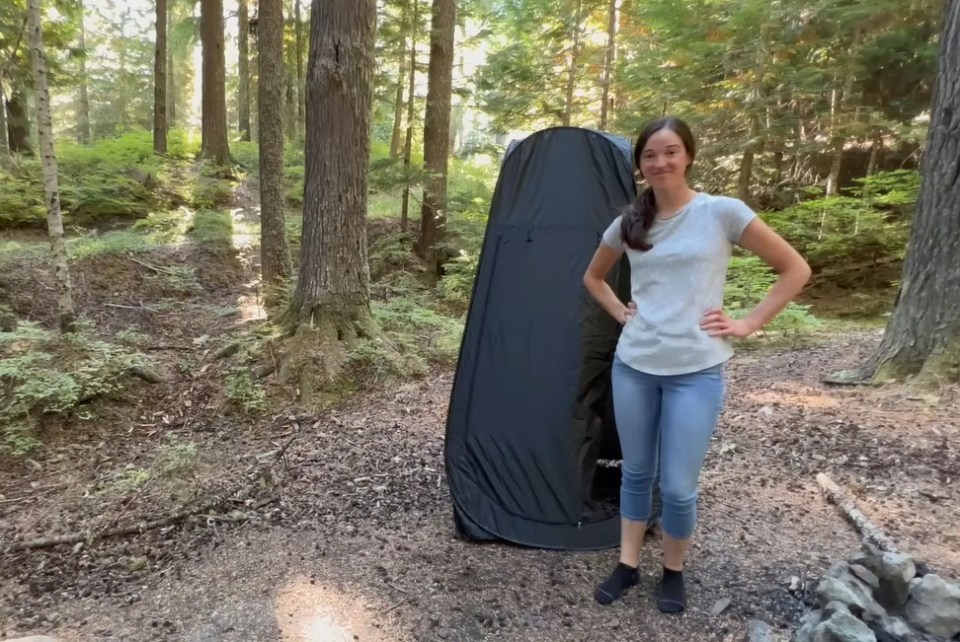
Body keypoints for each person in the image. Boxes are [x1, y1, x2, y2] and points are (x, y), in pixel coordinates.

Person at [582, 116, 811, 613]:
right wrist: (622, 312)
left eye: (670, 151)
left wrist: (749, 323)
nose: (660, 162)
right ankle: (627, 565)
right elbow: (594, 278)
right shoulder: (629, 222)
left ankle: (673, 571)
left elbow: (795, 269)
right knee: (636, 472)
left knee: (680, 486)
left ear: (688, 155)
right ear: (640, 164)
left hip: (696, 372)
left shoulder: (722, 212)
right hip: (635, 365)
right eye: (650, 155)